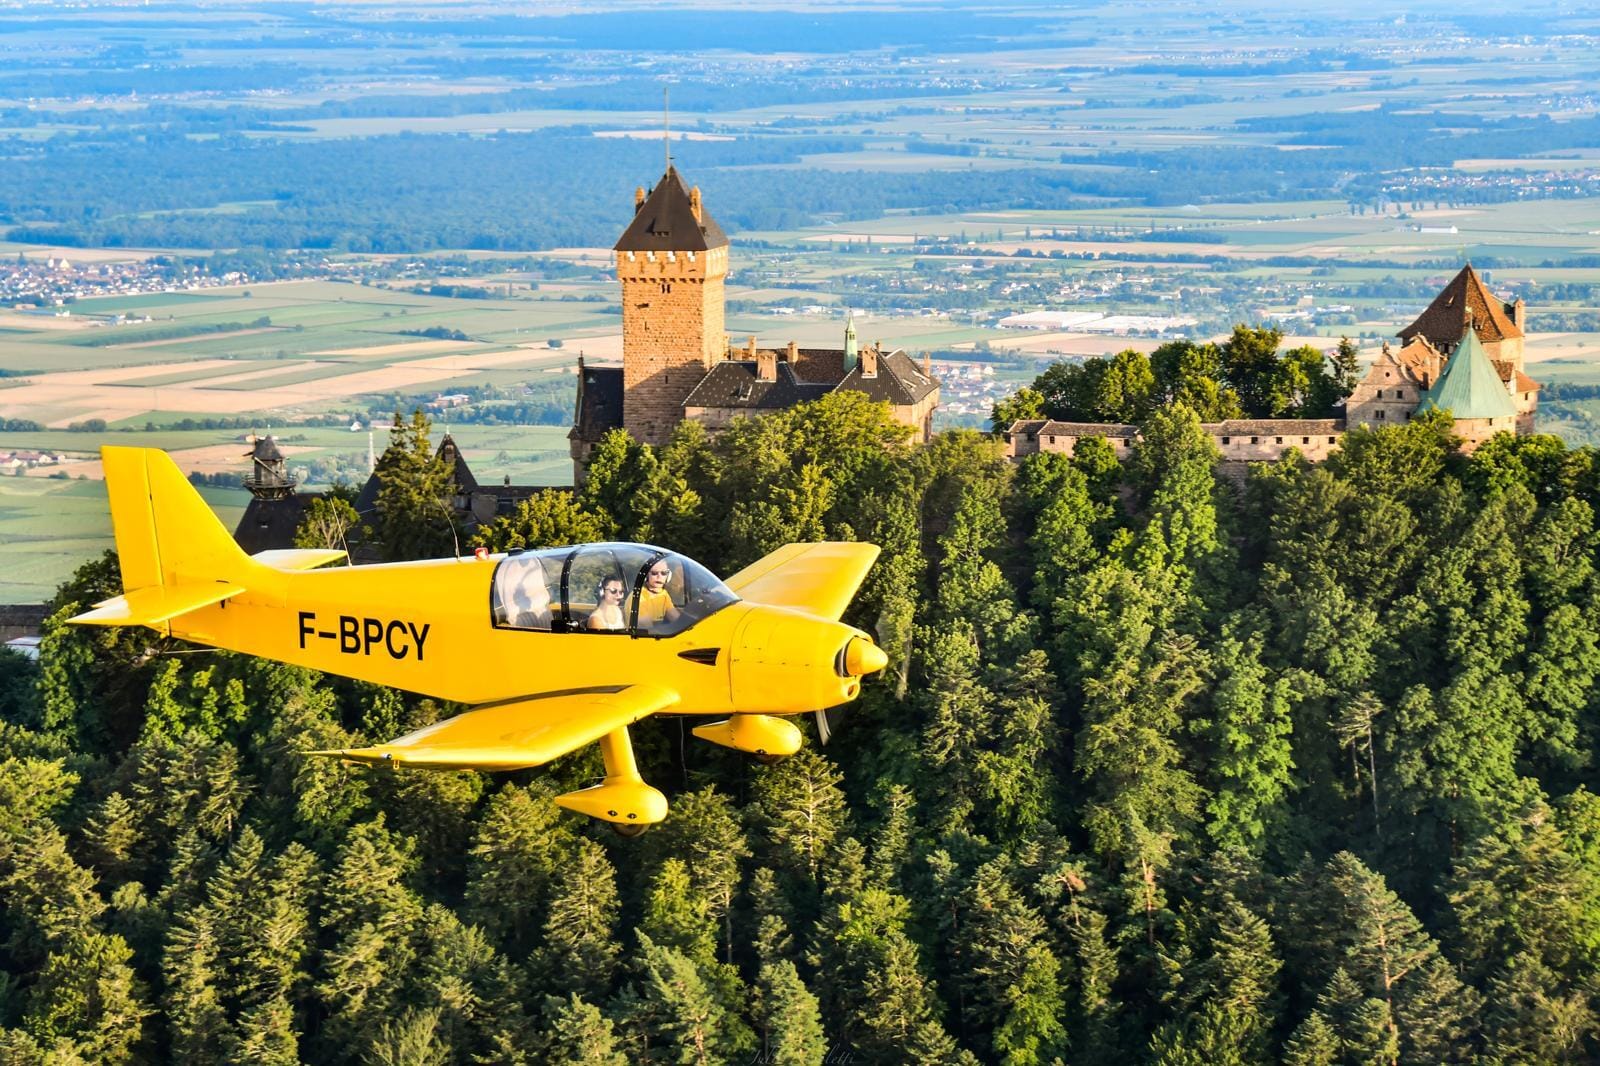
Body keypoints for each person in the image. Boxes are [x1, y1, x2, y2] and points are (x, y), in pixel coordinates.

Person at [636, 558, 681, 630]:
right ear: (646, 576)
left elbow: (675, 617)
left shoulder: (663, 594)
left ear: (668, 576)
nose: (659, 577)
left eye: (663, 573)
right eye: (654, 573)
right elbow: (648, 629)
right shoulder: (639, 597)